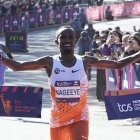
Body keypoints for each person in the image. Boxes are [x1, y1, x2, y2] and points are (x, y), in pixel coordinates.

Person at [1, 26, 140, 140]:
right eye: (63, 37)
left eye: (70, 37)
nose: (67, 40)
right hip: (58, 119)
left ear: (76, 41)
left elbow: (118, 64)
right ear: (57, 41)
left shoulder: (85, 61)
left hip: (80, 117)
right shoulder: (49, 62)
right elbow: (17, 66)